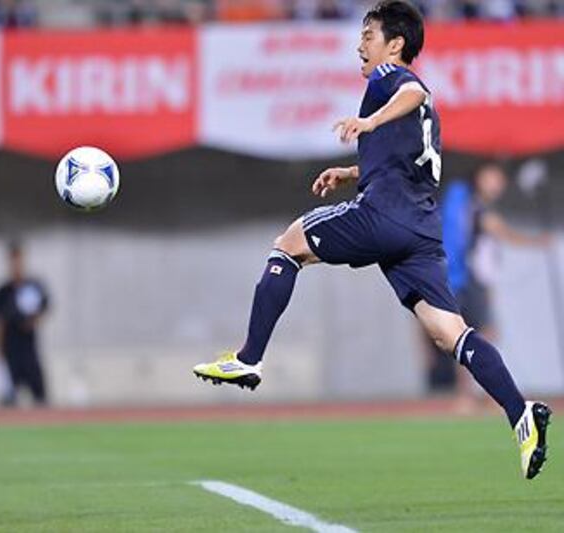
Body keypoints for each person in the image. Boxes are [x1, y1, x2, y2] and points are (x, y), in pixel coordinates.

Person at [193, 0, 550, 480]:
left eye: (368, 33)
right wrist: (353, 171)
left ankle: (248, 359)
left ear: (395, 44)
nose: (359, 44)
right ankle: (520, 414)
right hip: (421, 232)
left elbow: (412, 92)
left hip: (385, 217)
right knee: (451, 333)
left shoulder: (390, 77)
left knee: (288, 244)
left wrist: (369, 121)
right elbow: (402, 160)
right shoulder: (416, 115)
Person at [429, 163, 551, 403]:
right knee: (473, 337)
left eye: (499, 180)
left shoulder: (476, 207)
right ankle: (471, 394)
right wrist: (537, 241)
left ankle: (474, 393)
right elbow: (502, 233)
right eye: (492, 178)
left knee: (472, 336)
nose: (497, 185)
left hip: (474, 281)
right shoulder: (471, 205)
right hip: (467, 280)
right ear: (479, 178)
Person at [0, 241, 49, 406]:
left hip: (30, 350)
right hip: (10, 350)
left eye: (19, 260)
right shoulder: (3, 291)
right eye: (13, 260)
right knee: (8, 398)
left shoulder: (34, 286)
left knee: (40, 395)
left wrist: (33, 321)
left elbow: (43, 308)